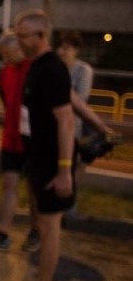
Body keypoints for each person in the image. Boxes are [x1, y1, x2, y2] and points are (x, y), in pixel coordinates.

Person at [3, 9, 76, 281]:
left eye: (23, 35)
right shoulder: (35, 67)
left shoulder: (52, 69)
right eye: (17, 35)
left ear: (41, 37)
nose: (18, 41)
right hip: (39, 160)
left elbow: (66, 120)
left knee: (50, 230)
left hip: (50, 165)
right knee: (46, 228)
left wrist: (64, 170)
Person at [0, 30, 39, 252]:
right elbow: (6, 101)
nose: (4, 58)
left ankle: (36, 230)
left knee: (33, 188)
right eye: (2, 54)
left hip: (32, 141)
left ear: (18, 47)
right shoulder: (6, 73)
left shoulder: (35, 69)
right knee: (9, 184)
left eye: (7, 53)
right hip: (11, 139)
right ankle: (3, 232)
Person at [56, 31, 93, 221]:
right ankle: (58, 208)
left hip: (73, 127)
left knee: (71, 168)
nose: (63, 52)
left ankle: (68, 208)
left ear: (76, 50)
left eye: (67, 48)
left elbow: (81, 99)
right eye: (61, 47)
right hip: (53, 127)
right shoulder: (54, 68)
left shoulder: (83, 70)